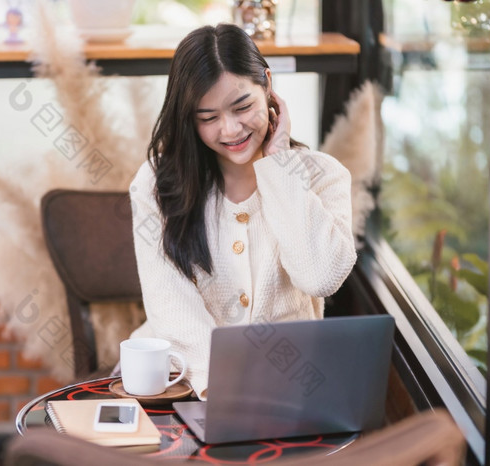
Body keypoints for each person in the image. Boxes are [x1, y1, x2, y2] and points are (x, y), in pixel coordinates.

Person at [127, 23, 357, 399]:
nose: (230, 129)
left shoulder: (323, 176)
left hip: (290, 386)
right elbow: (172, 309)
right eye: (208, 118)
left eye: (243, 106)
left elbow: (321, 277)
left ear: (267, 84)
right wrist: (227, 391)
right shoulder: (157, 184)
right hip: (184, 381)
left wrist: (279, 165)